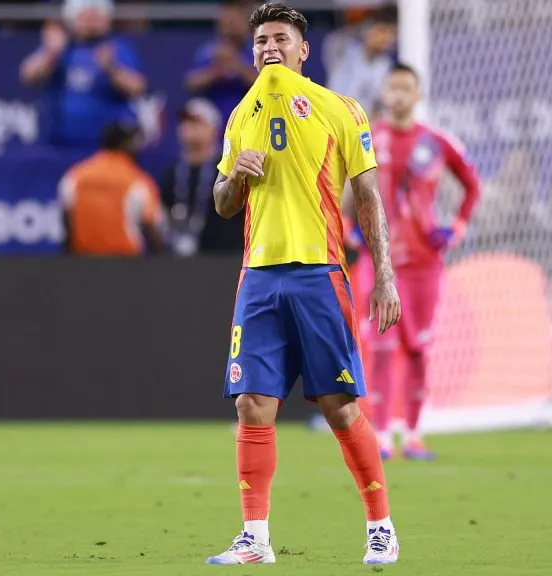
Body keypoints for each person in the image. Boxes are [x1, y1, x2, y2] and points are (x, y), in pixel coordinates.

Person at [205, 3, 401, 566]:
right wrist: (234, 175)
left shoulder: (342, 110)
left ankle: (380, 526)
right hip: (259, 279)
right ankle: (255, 539)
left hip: (320, 274)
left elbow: (367, 196)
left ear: (303, 49)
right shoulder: (240, 117)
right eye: (261, 39)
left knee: (341, 409)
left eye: (281, 39)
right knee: (251, 405)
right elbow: (222, 205)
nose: (270, 47)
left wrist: (383, 274)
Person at [347, 63, 480, 461]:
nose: (399, 95)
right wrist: (348, 229)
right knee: (384, 347)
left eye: (407, 87)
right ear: (385, 93)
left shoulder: (437, 142)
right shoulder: (365, 136)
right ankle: (384, 437)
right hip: (381, 262)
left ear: (418, 94)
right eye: (393, 88)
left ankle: (416, 434)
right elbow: (342, 191)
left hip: (423, 263)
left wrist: (455, 229)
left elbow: (472, 185)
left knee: (419, 348)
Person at [19, 0, 146, 150]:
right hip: (62, 143)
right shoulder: (61, 46)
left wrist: (112, 70)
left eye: (97, 16)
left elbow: (138, 87)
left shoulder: (117, 47)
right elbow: (28, 76)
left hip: (109, 147)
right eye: (86, 16)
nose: (91, 22)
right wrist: (51, 53)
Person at [60, 122, 163, 255]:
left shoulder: (75, 176)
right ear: (125, 145)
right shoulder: (138, 181)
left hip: (83, 262)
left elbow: (67, 222)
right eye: (133, 142)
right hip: (125, 264)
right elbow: (151, 228)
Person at [159, 98, 243, 256]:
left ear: (214, 129)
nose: (189, 127)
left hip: (225, 258)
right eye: (185, 122)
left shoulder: (227, 167)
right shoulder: (172, 172)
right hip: (183, 261)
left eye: (197, 122)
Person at [185, 0, 260, 133]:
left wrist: (237, 64)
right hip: (214, 114)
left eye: (234, 22)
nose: (230, 28)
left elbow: (262, 83)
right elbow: (191, 82)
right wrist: (216, 70)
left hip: (249, 111)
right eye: (226, 23)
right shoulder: (210, 51)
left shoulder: (257, 49)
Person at [326, 6, 398, 119]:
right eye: (382, 31)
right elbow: (334, 40)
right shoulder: (344, 51)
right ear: (368, 31)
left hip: (365, 123)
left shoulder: (384, 64)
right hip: (337, 115)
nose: (386, 38)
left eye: (391, 34)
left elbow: (380, 100)